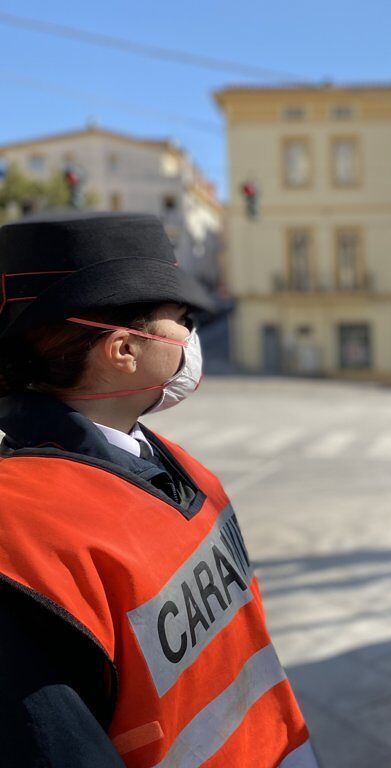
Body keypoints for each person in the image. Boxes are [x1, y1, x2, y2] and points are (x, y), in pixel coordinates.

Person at [0, 212, 317, 767]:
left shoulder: (172, 463)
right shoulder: (21, 539)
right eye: (183, 320)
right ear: (123, 350)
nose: (193, 338)